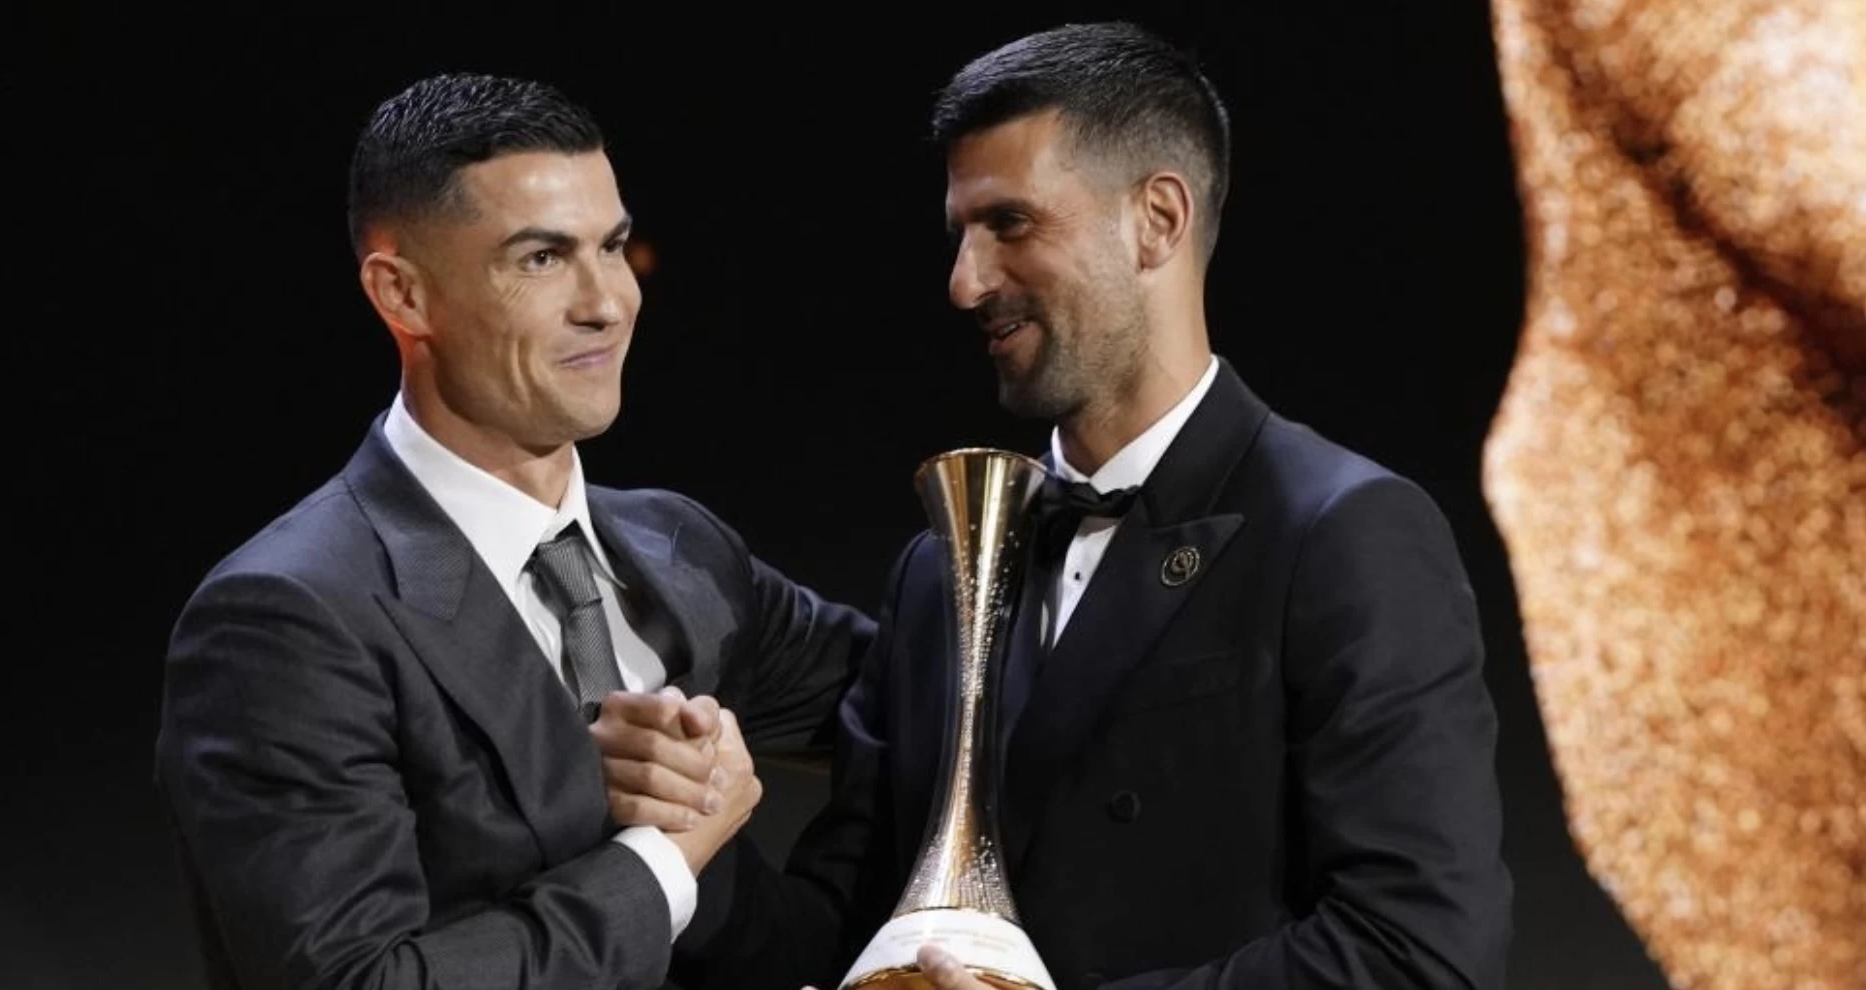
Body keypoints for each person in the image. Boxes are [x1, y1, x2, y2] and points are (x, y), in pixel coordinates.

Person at [605, 21, 1515, 990]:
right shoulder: (937, 571)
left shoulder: (1341, 534)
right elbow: (846, 937)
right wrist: (684, 849)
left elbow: (1420, 952)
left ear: (1157, 220)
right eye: (959, 234)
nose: (964, 283)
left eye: (1011, 224)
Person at [153, 71, 874, 990]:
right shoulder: (287, 619)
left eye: (611, 247)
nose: (607, 302)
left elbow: (933, 699)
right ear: (403, 295)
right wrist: (665, 858)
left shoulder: (681, 547)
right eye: (540, 258)